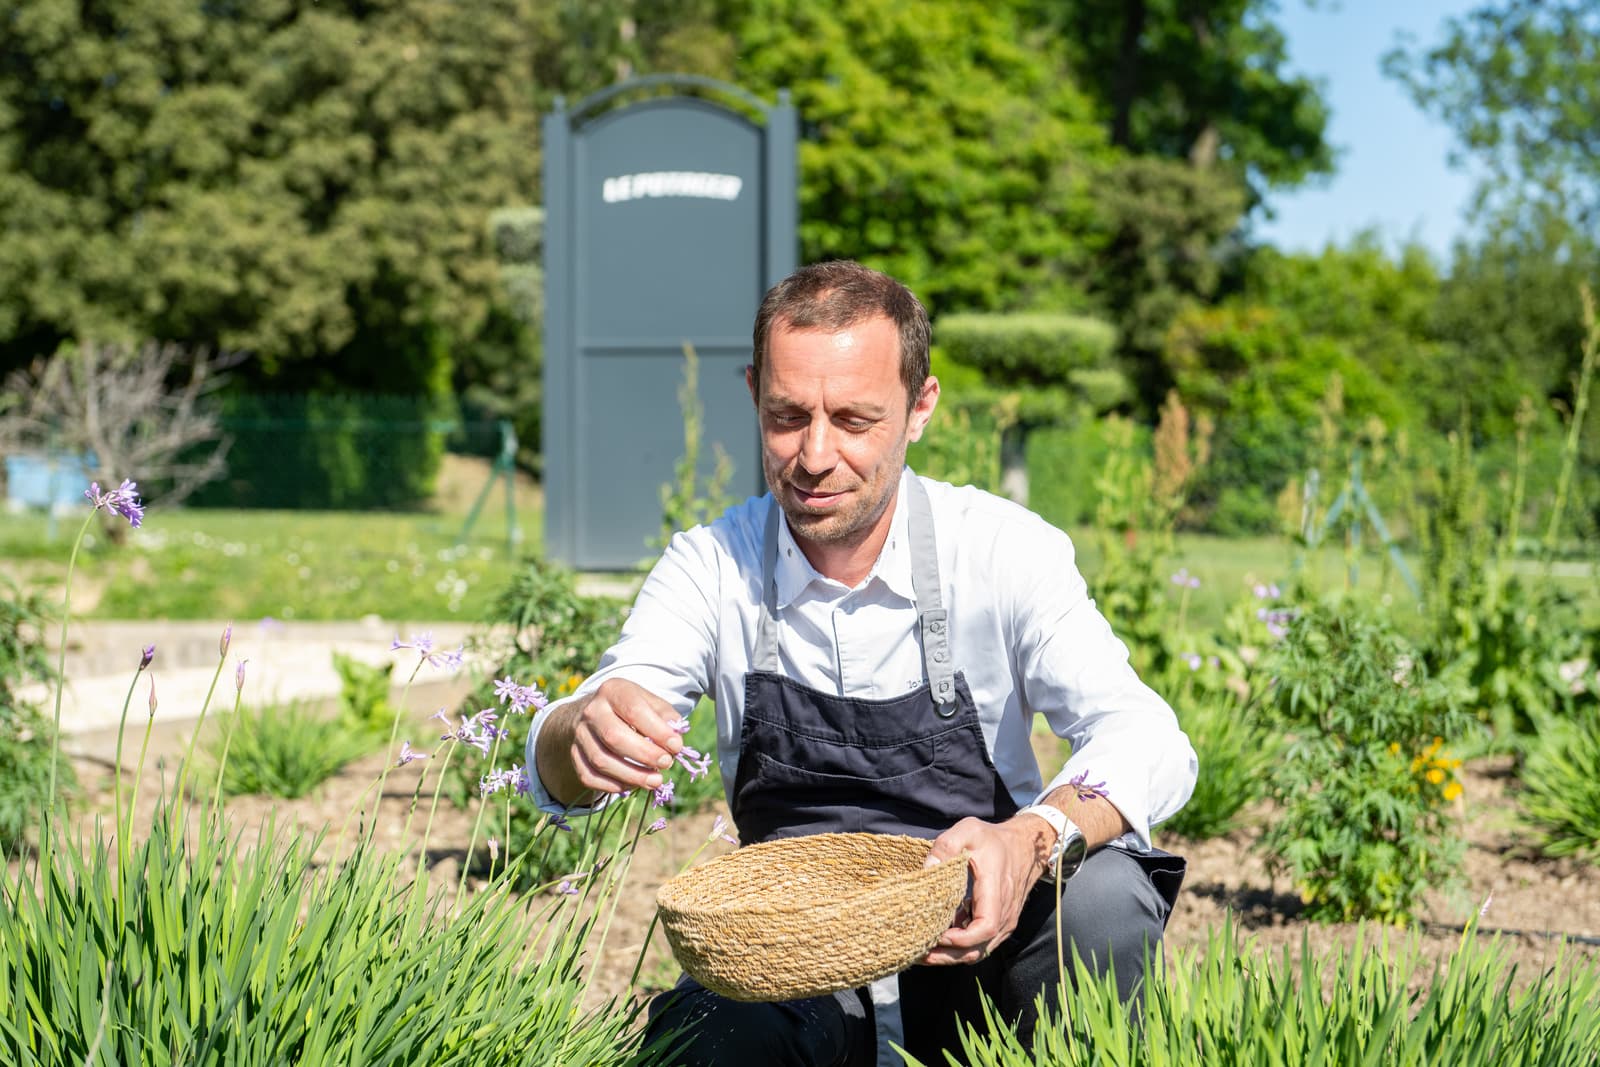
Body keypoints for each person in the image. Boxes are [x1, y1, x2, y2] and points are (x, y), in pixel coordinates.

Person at [527, 260, 1196, 1066]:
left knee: (1105, 903)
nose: (814, 455)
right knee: (706, 1036)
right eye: (786, 415)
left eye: (852, 418)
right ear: (752, 395)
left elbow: (1148, 736)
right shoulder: (712, 565)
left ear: (920, 407)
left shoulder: (1000, 549)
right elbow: (574, 739)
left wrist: (1034, 834)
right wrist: (582, 734)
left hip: (984, 950)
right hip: (795, 966)